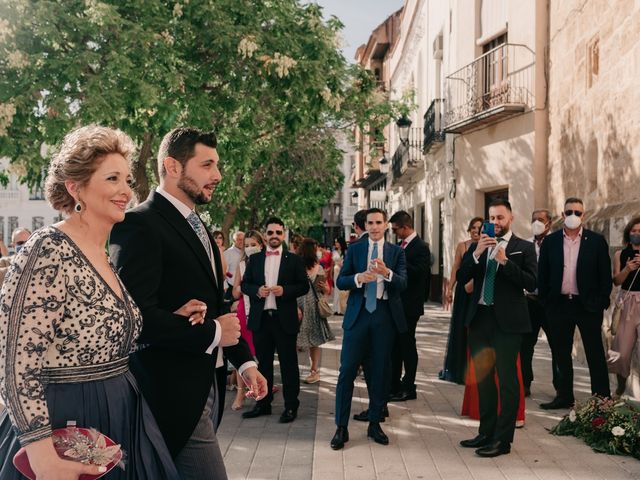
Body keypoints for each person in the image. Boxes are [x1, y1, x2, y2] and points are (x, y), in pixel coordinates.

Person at [0, 125, 180, 479]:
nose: (125, 191)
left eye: (127, 180)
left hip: (119, 417)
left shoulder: (101, 253)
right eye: (112, 178)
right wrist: (41, 454)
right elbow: (13, 360)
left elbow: (99, 334)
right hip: (65, 425)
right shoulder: (48, 248)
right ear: (75, 187)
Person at [110, 127, 267, 480]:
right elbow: (133, 320)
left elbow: (219, 306)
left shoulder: (199, 227)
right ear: (173, 166)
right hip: (169, 395)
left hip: (207, 387)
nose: (218, 175)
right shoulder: (138, 225)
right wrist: (212, 332)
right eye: (207, 165)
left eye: (217, 165)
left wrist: (245, 363)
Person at [457, 199, 536, 458]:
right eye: (492, 218)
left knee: (508, 382)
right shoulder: (477, 246)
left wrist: (505, 262)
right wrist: (477, 253)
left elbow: (531, 282)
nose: (495, 222)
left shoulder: (523, 247)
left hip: (508, 323)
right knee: (484, 380)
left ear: (511, 218)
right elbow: (462, 277)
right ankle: (486, 432)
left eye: (500, 217)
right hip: (480, 319)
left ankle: (503, 441)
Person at [331, 208, 407, 450]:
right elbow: (340, 281)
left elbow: (404, 283)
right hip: (358, 315)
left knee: (380, 373)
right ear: (365, 225)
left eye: (378, 222)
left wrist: (387, 273)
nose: (374, 227)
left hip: (384, 318)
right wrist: (358, 279)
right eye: (370, 223)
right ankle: (340, 427)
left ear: (385, 225)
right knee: (347, 372)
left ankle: (374, 423)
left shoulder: (396, 252)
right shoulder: (355, 249)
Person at [538, 197, 612, 409]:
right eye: (569, 212)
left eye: (577, 213)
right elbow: (542, 275)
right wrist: (546, 301)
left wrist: (600, 302)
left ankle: (601, 398)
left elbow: (605, 277)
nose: (573, 216)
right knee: (561, 352)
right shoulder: (550, 242)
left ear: (584, 216)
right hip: (558, 305)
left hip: (587, 306)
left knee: (594, 353)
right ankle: (564, 396)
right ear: (562, 215)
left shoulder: (596, 241)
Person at [241, 217, 309, 423]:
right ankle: (263, 403)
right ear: (265, 234)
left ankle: (290, 406)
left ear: (283, 234)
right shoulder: (254, 259)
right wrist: (257, 291)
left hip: (284, 320)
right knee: (263, 365)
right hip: (261, 320)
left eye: (278, 233)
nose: (274, 236)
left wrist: (285, 290)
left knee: (289, 365)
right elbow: (245, 285)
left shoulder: (294, 259)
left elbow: (303, 286)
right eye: (270, 233)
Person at [388, 210, 431, 402]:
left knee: (407, 346)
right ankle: (394, 385)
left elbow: (421, 272)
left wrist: (396, 267)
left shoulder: (421, 246)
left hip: (410, 305)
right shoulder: (400, 245)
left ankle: (409, 386)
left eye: (396, 230)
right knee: (396, 346)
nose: (395, 233)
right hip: (397, 304)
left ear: (405, 227)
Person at [520, 209, 559, 397]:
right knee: (526, 345)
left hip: (552, 303)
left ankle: (561, 387)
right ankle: (525, 383)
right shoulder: (526, 244)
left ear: (549, 223)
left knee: (558, 346)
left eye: (541, 220)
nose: (537, 222)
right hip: (530, 301)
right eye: (534, 219)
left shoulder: (558, 243)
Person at [439, 217, 483, 384]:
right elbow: (456, 268)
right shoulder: (462, 246)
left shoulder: (486, 246)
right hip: (463, 293)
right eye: (473, 227)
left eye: (479, 228)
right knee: (460, 328)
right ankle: (458, 369)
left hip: (478, 292)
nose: (475, 231)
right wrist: (449, 289)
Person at [230, 229, 263, 410]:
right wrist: (246, 286)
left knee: (262, 351)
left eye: (254, 245)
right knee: (242, 351)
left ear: (261, 245)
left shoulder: (267, 262)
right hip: (245, 309)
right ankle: (240, 392)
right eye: (247, 245)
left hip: (264, 310)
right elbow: (235, 292)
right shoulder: (242, 264)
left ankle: (260, 387)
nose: (250, 248)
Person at [607, 217, 640, 397]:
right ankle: (620, 388)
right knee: (621, 351)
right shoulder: (620, 254)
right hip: (626, 302)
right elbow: (616, 281)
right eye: (633, 231)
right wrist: (627, 269)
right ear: (628, 233)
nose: (636, 234)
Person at [297, 237, 335, 385]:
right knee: (315, 341)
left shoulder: (296, 266)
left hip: (300, 304)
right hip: (311, 305)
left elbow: (326, 289)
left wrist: (325, 288)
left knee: (297, 338)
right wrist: (325, 289)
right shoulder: (318, 267)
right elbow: (326, 290)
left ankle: (298, 370)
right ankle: (314, 371)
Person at [332, 237, 348, 315]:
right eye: (335, 242)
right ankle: (336, 308)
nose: (336, 244)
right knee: (336, 289)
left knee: (341, 289)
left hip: (342, 271)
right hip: (335, 271)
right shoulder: (334, 251)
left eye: (337, 242)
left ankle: (341, 308)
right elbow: (332, 263)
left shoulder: (345, 251)